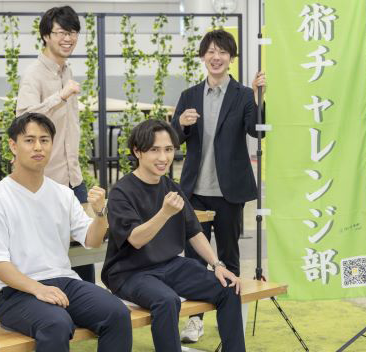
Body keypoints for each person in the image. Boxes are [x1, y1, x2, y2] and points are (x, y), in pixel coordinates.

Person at [0, 113, 131, 352]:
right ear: (13, 146)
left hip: (63, 281)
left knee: (118, 313)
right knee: (56, 323)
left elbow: (92, 241)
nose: (38, 147)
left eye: (44, 140)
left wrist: (100, 214)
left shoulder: (62, 194)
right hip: (14, 292)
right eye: (29, 140)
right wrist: (38, 289)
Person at [102, 119, 245, 352]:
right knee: (166, 301)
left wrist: (217, 264)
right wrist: (164, 213)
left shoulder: (171, 187)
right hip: (129, 273)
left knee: (228, 287)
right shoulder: (121, 192)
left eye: (168, 150)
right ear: (137, 151)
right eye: (155, 150)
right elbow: (136, 240)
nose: (163, 158)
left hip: (169, 265)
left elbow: (194, 230)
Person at [170, 29, 264, 342]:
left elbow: (257, 131)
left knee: (228, 254)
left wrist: (258, 96)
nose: (216, 57)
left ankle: (230, 318)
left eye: (222, 52)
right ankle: (194, 320)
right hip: (195, 191)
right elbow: (171, 139)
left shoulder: (241, 94)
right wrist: (180, 124)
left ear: (231, 58)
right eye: (210, 51)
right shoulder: (189, 95)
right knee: (195, 260)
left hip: (229, 191)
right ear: (202, 57)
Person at [16, 5, 96, 283]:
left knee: (86, 250)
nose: (68, 38)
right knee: (49, 256)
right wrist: (60, 97)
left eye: (73, 32)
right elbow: (23, 120)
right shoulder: (34, 74)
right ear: (46, 36)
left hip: (74, 179)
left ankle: (91, 309)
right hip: (47, 181)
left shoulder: (67, 69)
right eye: (61, 32)